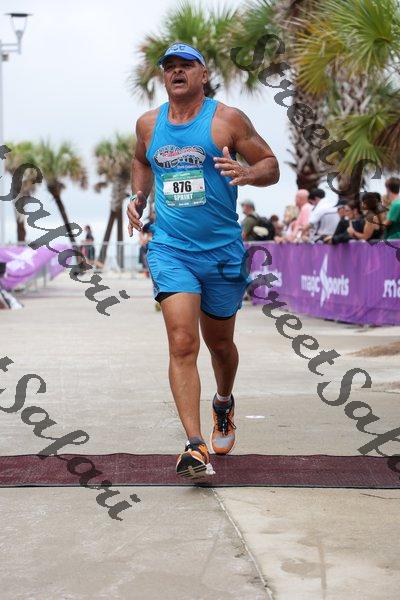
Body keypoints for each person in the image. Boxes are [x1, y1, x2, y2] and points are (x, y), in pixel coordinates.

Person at [127, 42, 279, 479]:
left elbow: (271, 165)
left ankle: (223, 403)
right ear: (164, 76)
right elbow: (140, 160)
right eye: (170, 67)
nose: (177, 72)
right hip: (170, 248)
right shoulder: (148, 124)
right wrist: (138, 196)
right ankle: (194, 446)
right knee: (182, 342)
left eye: (186, 66)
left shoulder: (227, 119)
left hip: (222, 252)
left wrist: (248, 173)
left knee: (220, 346)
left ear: (203, 74)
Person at [138, 210, 155, 277]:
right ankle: (146, 271)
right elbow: (141, 232)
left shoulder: (160, 224)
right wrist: (142, 240)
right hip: (148, 244)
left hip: (156, 244)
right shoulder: (148, 224)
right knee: (144, 255)